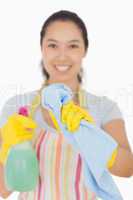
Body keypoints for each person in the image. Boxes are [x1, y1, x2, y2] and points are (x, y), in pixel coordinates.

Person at [0, 10, 133, 200]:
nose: (62, 57)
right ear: (42, 48)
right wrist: (8, 150)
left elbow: (128, 168)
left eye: (72, 46)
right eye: (53, 45)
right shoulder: (17, 107)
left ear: (84, 50)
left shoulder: (104, 108)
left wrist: (94, 139)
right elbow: (2, 190)